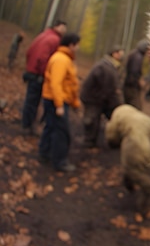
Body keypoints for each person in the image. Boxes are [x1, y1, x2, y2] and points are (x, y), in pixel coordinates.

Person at [38, 33, 81, 173]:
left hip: (57, 99)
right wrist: (59, 105)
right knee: (61, 132)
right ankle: (60, 162)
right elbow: (56, 84)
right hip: (56, 100)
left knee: (51, 127)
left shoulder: (65, 59)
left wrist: (75, 103)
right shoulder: (61, 60)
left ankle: (44, 153)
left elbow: (71, 84)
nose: (78, 48)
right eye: (77, 45)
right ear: (71, 45)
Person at [21, 19, 67, 136]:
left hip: (33, 72)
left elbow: (29, 52)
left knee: (31, 100)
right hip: (39, 75)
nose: (64, 30)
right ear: (57, 27)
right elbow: (43, 58)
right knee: (36, 102)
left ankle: (27, 123)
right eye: (63, 27)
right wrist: (46, 74)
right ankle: (29, 126)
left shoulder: (44, 35)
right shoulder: (54, 39)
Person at [80, 45, 125, 148]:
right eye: (120, 53)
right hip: (93, 97)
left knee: (96, 119)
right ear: (114, 54)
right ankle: (88, 142)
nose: (122, 55)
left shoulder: (112, 66)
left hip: (100, 97)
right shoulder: (105, 67)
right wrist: (116, 104)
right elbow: (109, 88)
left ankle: (93, 141)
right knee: (91, 119)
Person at [123, 39, 150, 110]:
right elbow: (134, 71)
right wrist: (139, 81)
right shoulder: (138, 57)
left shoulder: (134, 53)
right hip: (132, 86)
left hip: (128, 84)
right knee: (136, 107)